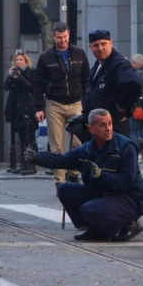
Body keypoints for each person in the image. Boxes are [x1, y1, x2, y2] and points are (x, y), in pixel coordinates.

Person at [23, 108, 143, 242]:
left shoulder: (125, 147)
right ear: (91, 129)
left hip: (128, 198)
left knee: (90, 209)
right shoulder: (87, 149)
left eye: (110, 123)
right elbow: (62, 160)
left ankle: (128, 224)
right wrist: (37, 158)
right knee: (64, 189)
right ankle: (96, 229)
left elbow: (126, 182)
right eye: (103, 125)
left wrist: (101, 176)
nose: (108, 128)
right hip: (104, 195)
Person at [32, 21, 90, 186]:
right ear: (53, 37)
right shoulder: (45, 57)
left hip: (76, 102)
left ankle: (73, 174)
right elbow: (38, 84)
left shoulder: (79, 53)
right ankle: (59, 180)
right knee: (56, 144)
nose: (62, 40)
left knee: (77, 142)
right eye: (59, 38)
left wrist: (87, 102)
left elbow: (87, 79)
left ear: (69, 34)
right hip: (54, 103)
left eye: (64, 37)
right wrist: (38, 108)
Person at [81, 29, 143, 136]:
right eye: (96, 45)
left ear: (111, 43)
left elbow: (134, 84)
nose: (100, 48)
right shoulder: (98, 65)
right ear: (90, 47)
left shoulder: (119, 64)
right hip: (97, 128)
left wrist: (121, 106)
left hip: (113, 128)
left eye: (103, 44)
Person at [4, 50, 36, 161]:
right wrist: (10, 76)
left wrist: (20, 78)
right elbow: (6, 87)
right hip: (17, 109)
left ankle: (30, 163)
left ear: (25, 60)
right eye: (16, 60)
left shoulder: (31, 71)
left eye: (21, 60)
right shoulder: (14, 72)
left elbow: (31, 87)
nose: (18, 62)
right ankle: (23, 163)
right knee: (22, 139)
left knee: (29, 138)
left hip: (28, 109)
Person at [129, 54, 143, 163]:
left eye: (134, 63)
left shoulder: (134, 75)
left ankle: (137, 155)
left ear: (137, 63)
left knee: (133, 132)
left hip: (135, 107)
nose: (132, 65)